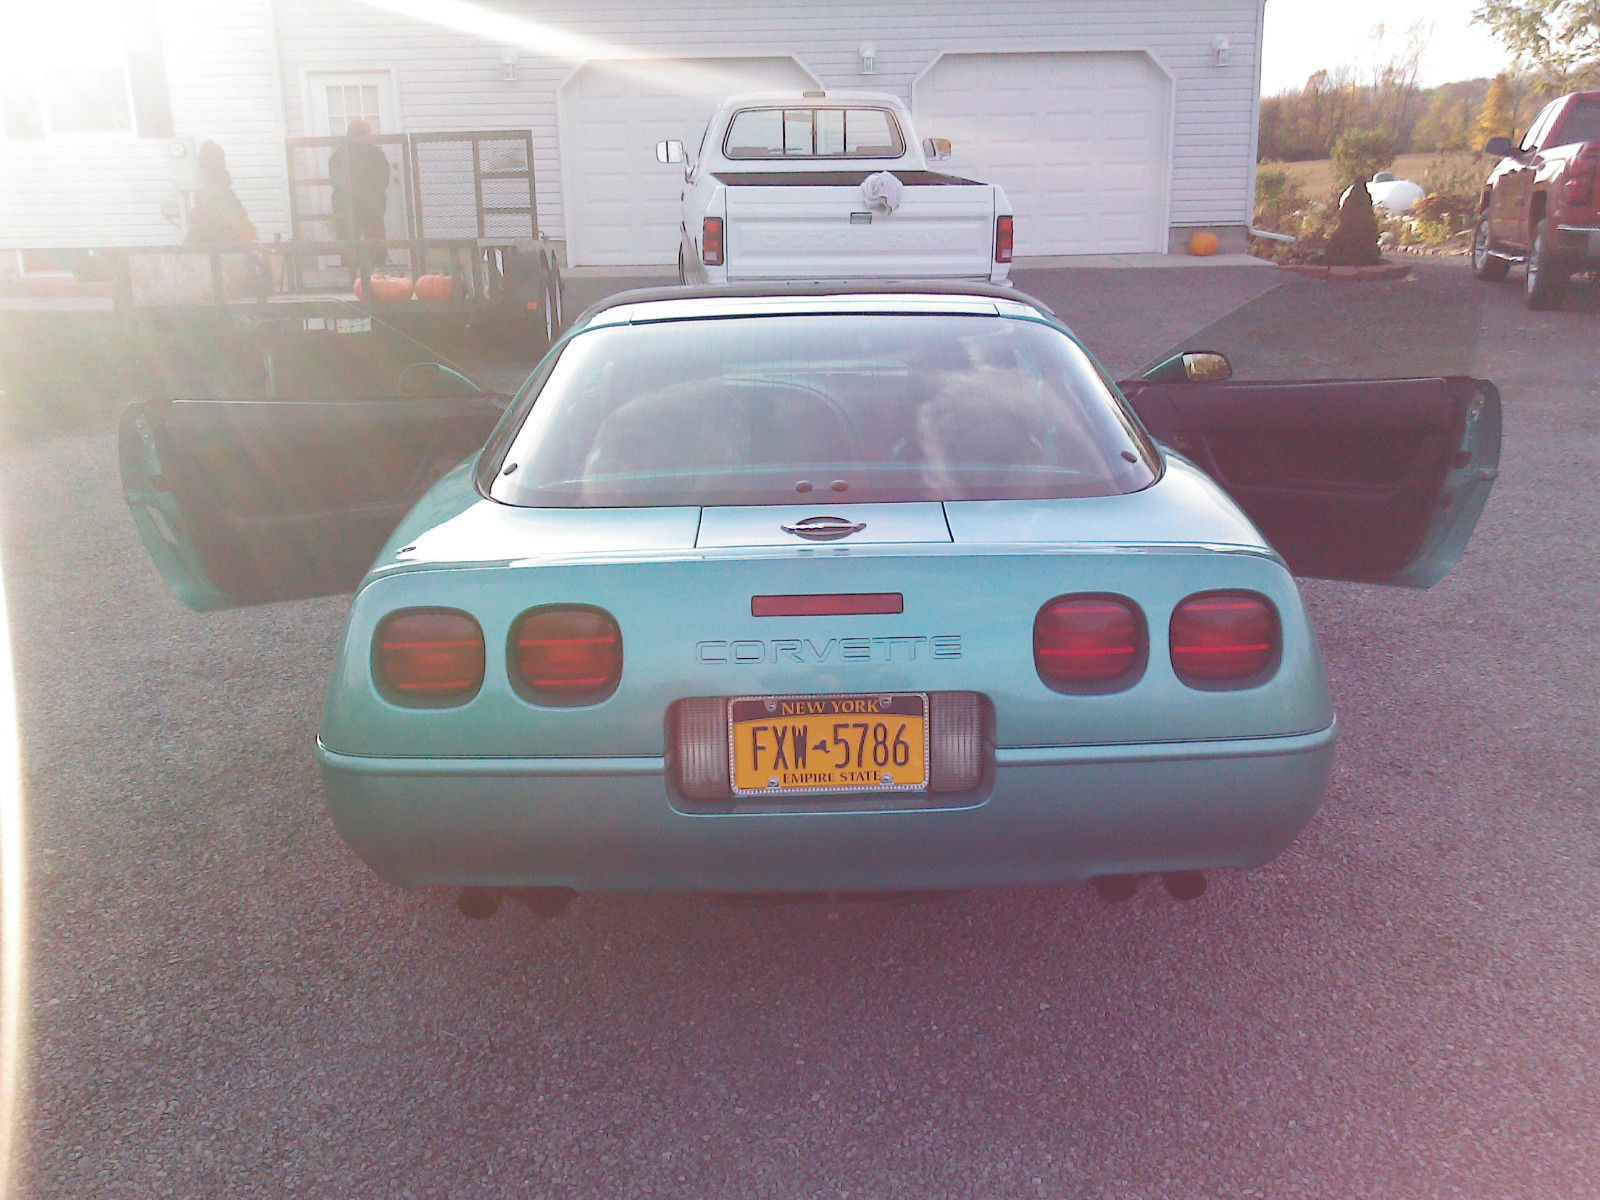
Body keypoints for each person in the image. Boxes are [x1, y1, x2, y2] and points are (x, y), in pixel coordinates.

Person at [327, 119, 391, 244]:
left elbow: (383, 180)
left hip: (351, 206)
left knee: (349, 245)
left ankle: (355, 262)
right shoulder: (376, 155)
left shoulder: (338, 155)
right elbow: (384, 180)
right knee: (374, 243)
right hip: (364, 206)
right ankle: (376, 262)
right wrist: (368, 196)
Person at [185, 140, 257, 245]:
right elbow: (242, 229)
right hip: (226, 255)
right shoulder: (223, 197)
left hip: (209, 255)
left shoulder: (204, 198)